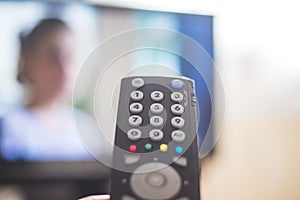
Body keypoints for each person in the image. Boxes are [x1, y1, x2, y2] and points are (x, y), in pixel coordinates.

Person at [0, 18, 95, 161]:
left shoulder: (84, 126)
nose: (64, 68)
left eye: (69, 56)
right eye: (53, 56)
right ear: (29, 62)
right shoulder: (10, 127)